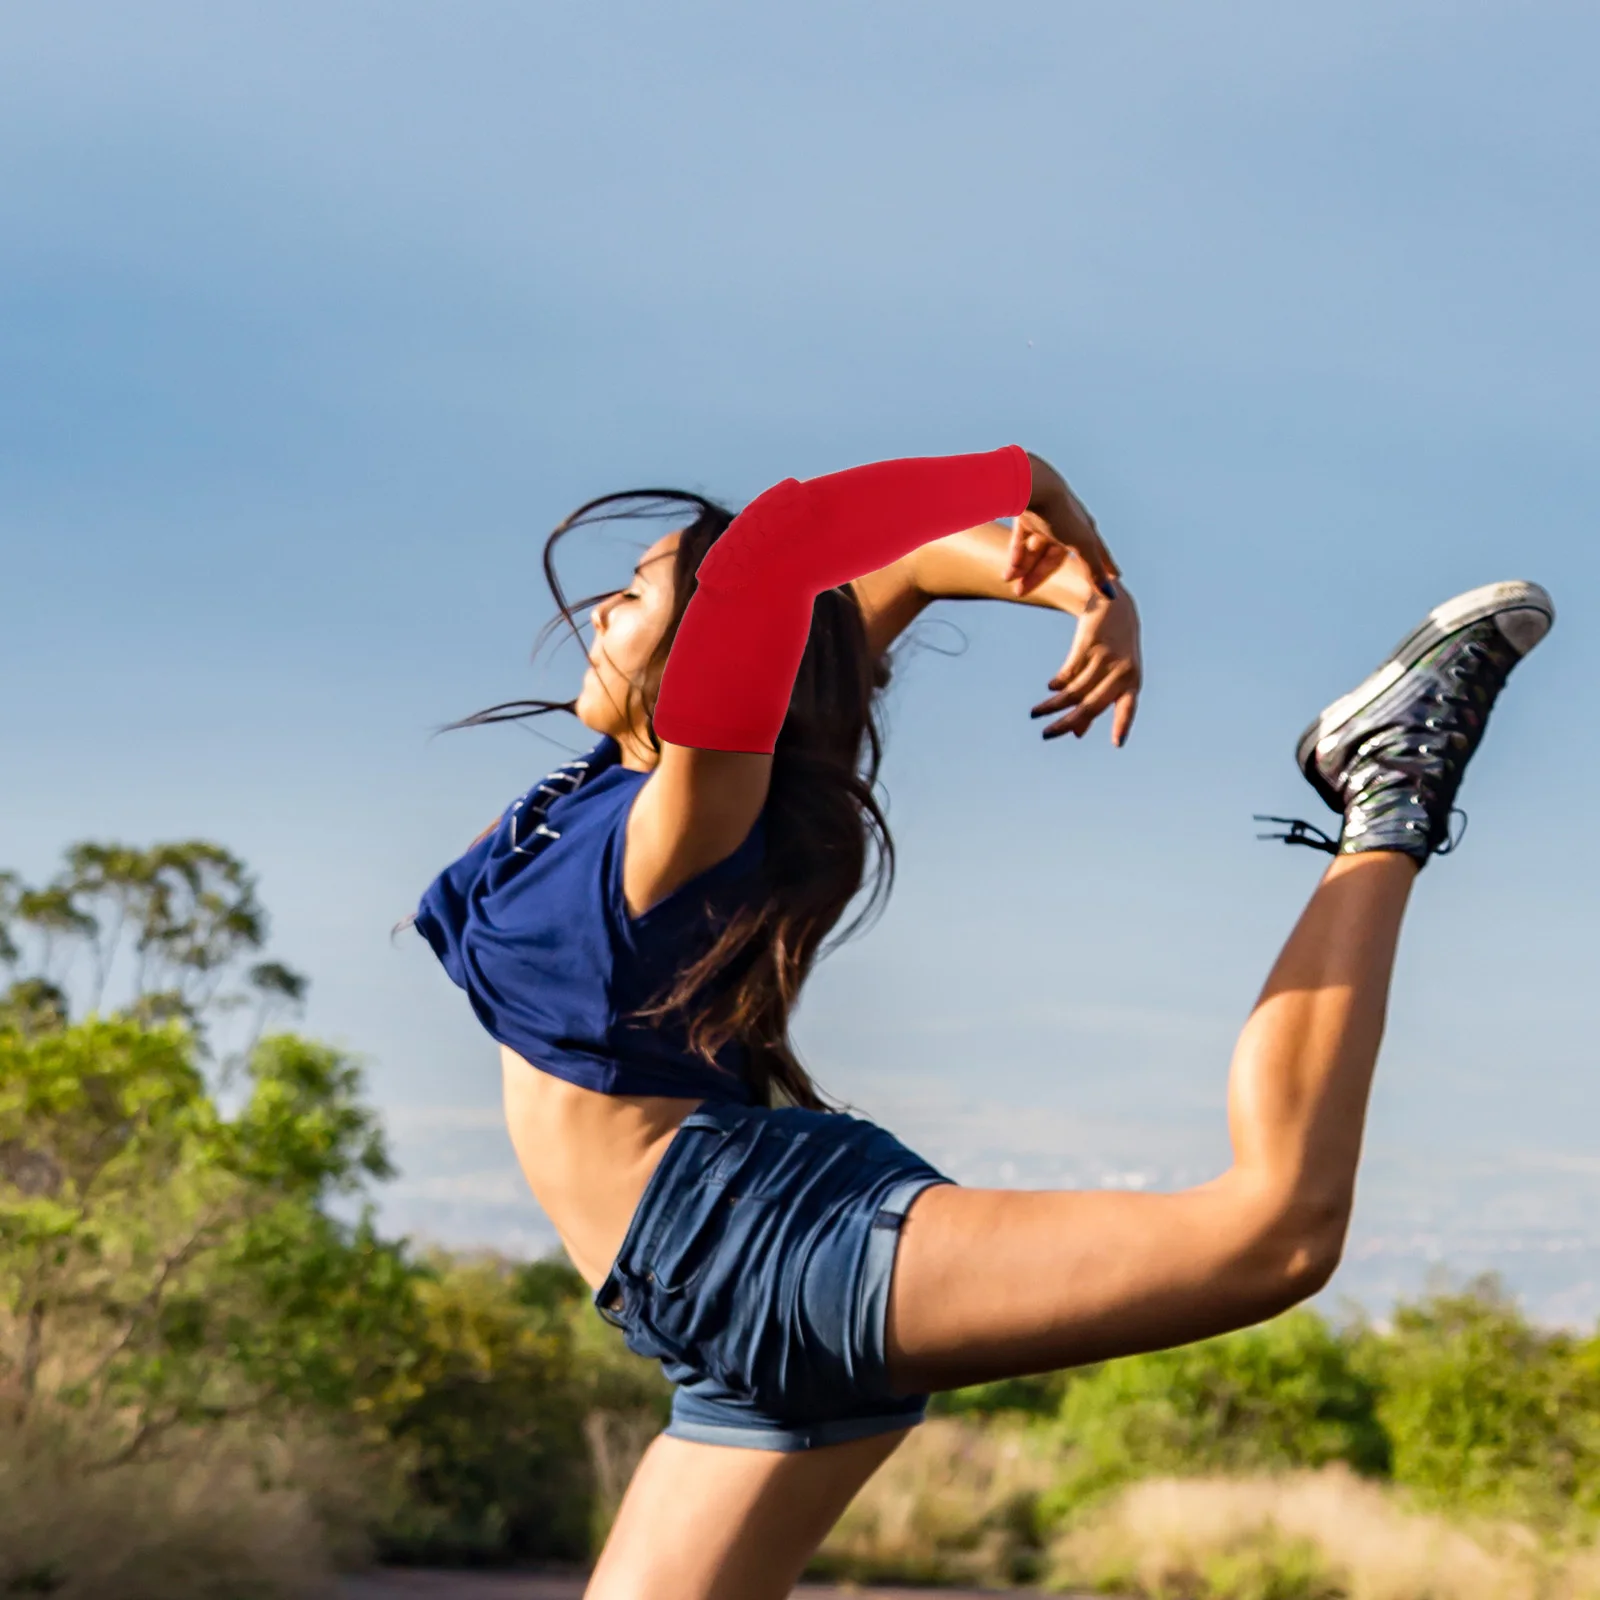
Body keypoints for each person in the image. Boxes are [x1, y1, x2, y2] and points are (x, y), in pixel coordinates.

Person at [412, 444, 1553, 1599]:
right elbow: (895, 574)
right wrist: (1087, 589)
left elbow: (777, 564)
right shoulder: (595, 789)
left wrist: (1034, 479)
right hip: (707, 1323)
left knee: (1276, 1232)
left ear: (702, 651)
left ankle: (1389, 791)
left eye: (642, 592)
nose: (603, 606)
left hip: (756, 1253)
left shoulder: (684, 817)